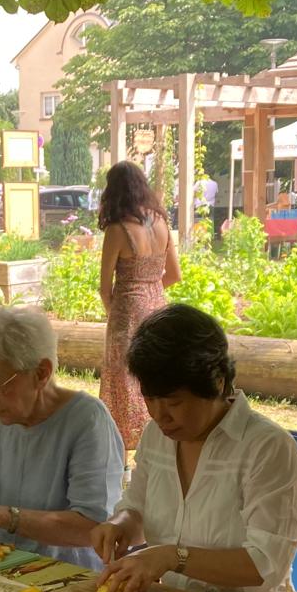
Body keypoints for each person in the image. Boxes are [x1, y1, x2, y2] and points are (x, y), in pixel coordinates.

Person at [92, 304, 297, 592]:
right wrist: (120, 524)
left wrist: (171, 557)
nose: (159, 415)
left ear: (216, 382)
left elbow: (264, 563)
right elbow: (137, 506)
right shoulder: (156, 436)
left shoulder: (268, 448)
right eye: (149, 399)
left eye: (174, 402)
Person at [0, 307, 123, 569]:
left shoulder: (87, 420)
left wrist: (5, 516)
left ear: (41, 373)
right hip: (6, 570)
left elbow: (92, 528)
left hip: (71, 577)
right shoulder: (5, 417)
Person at [97, 161, 181, 450]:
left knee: (123, 382)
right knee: (155, 376)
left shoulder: (118, 230)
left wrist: (115, 312)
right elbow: (174, 275)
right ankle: (157, 443)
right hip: (157, 307)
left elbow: (104, 286)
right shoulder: (161, 223)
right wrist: (151, 290)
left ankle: (121, 458)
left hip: (127, 311)